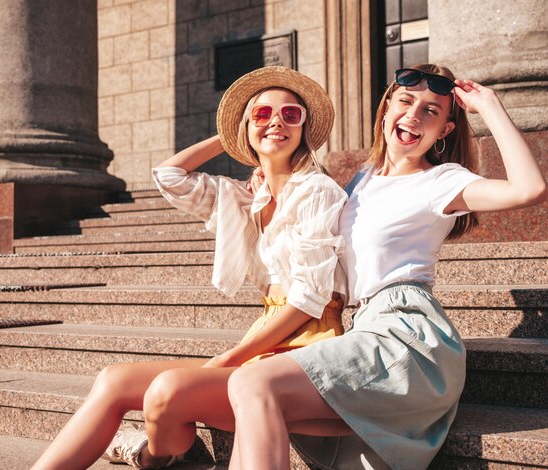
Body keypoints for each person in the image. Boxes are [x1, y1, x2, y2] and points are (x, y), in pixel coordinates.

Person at [226, 63, 548, 470]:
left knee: (252, 382)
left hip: (408, 334)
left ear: (444, 131)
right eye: (407, 101)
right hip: (363, 326)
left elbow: (529, 189)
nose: (414, 115)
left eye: (431, 111)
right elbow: (312, 222)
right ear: (386, 110)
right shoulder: (361, 178)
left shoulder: (441, 180)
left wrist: (491, 108)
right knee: (247, 393)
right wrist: (271, 183)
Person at [30, 65, 349, 469]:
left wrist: (227, 359)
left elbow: (308, 301)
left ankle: (153, 452)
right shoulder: (245, 198)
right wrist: (230, 133)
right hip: (266, 340)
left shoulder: (317, 191)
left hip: (308, 347)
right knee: (113, 380)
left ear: (304, 127)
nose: (276, 122)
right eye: (262, 114)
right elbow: (170, 176)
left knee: (166, 391)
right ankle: (162, 452)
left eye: (291, 114)